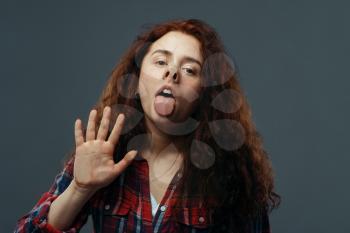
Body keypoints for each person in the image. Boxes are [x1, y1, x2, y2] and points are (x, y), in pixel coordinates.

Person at [14, 18, 281, 233]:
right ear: (137, 79)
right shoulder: (103, 152)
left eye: (190, 70)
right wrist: (80, 189)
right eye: (161, 61)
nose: (172, 73)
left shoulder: (231, 171)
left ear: (205, 93)